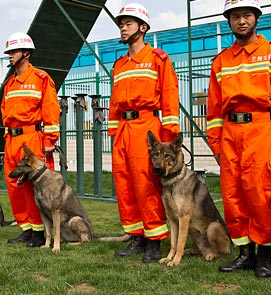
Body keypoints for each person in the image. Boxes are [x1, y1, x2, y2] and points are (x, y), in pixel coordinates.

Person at [206, 0, 271, 278]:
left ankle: (264, 255)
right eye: (235, 17)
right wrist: (216, 144)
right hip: (229, 134)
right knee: (233, 195)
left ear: (256, 18)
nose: (241, 21)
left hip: (260, 130)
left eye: (247, 15)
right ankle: (245, 254)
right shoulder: (221, 61)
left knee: (260, 194)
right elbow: (213, 109)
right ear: (229, 21)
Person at [107, 3, 181, 263]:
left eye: (128, 23)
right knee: (124, 184)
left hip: (147, 126)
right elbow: (114, 102)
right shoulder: (120, 64)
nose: (123, 27)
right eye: (121, 24)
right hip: (124, 130)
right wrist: (114, 132)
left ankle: (154, 240)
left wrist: (170, 135)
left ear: (143, 27)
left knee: (146, 184)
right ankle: (136, 236)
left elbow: (170, 97)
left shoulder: (158, 59)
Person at [1, 32, 60, 247]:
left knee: (33, 186)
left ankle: (39, 231)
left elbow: (51, 110)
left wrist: (49, 140)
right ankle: (26, 228)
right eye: (8, 52)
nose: (9, 56)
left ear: (26, 53)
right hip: (12, 140)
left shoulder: (41, 79)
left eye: (13, 52)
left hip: (32, 138)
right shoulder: (9, 84)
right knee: (14, 186)